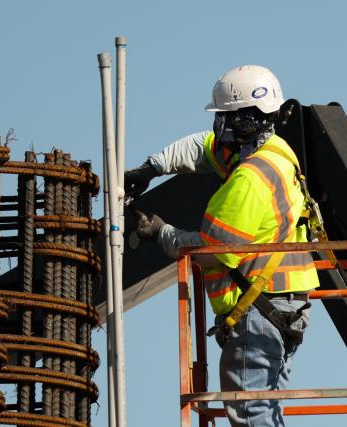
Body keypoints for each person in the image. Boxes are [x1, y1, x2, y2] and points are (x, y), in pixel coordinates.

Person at [126, 65, 320, 426]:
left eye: (227, 118)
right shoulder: (276, 153)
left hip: (257, 311)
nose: (222, 126)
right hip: (283, 306)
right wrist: (152, 168)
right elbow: (202, 148)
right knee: (264, 410)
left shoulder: (248, 180)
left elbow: (213, 249)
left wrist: (162, 233)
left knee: (250, 413)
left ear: (246, 120)